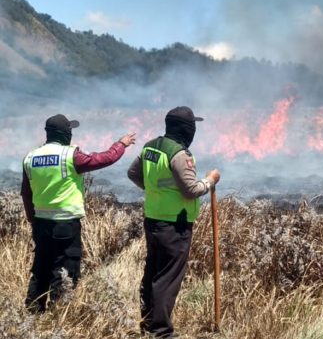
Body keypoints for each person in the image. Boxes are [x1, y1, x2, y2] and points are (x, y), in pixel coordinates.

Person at [21, 114, 136, 313]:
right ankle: (59, 316)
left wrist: (32, 219)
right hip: (65, 225)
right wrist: (121, 144)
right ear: (65, 133)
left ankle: (32, 314)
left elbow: (25, 193)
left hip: (41, 224)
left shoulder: (30, 158)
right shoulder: (70, 156)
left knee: (40, 270)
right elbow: (103, 159)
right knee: (65, 271)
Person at [127, 106, 220, 338]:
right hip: (175, 226)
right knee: (167, 279)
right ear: (186, 130)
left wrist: (154, 191)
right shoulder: (179, 154)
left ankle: (147, 324)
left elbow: (133, 173)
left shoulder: (151, 146)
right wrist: (210, 180)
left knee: (153, 273)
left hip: (153, 220)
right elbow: (190, 189)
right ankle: (162, 332)